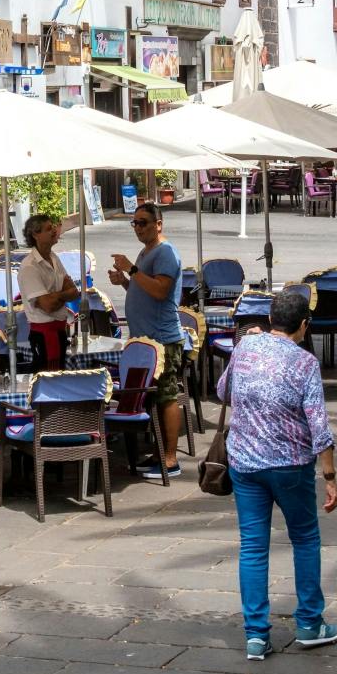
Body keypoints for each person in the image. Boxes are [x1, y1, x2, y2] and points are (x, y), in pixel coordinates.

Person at [215, 289, 337, 662]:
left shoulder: (245, 348)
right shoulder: (304, 364)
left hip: (246, 464)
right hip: (290, 465)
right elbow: (319, 425)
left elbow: (223, 391)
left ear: (271, 320)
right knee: (304, 538)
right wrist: (330, 476)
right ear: (304, 325)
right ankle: (309, 623)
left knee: (253, 546)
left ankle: (256, 635)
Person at [111, 203, 187, 481]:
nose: (139, 228)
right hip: (146, 339)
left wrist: (131, 269)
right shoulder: (148, 251)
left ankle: (170, 458)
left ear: (159, 223)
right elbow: (144, 289)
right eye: (135, 223)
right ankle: (158, 454)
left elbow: (160, 290)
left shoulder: (165, 252)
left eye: (143, 222)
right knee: (153, 398)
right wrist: (125, 281)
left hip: (162, 339)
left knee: (166, 397)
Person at [18, 213, 78, 371]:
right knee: (48, 379)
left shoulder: (54, 258)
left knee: (59, 375)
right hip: (44, 335)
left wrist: (56, 295)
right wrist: (61, 295)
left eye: (53, 227)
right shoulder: (30, 267)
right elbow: (48, 306)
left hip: (59, 330)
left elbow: (74, 291)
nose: (54, 231)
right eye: (48, 229)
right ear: (35, 234)